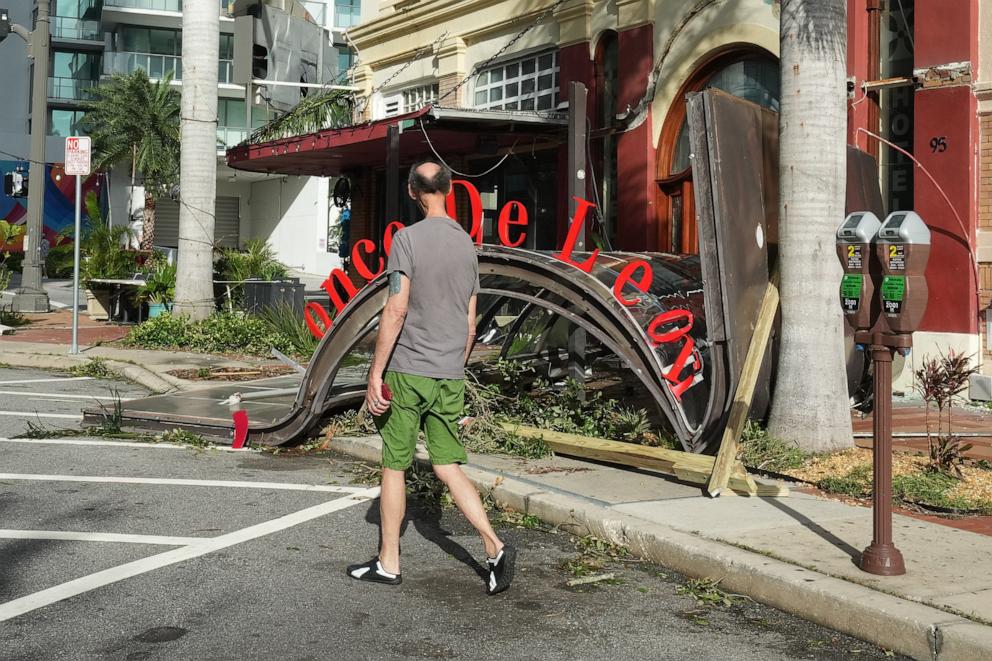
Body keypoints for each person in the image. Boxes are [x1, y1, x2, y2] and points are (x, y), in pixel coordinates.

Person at [347, 161, 516, 595]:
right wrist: (454, 364)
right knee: (448, 465)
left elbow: (397, 308)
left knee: (394, 465)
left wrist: (375, 371)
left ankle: (389, 562)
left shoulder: (406, 239)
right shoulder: (466, 244)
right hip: (448, 373)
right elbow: (471, 321)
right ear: (450, 189)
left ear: (412, 192)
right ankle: (493, 546)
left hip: (409, 371)